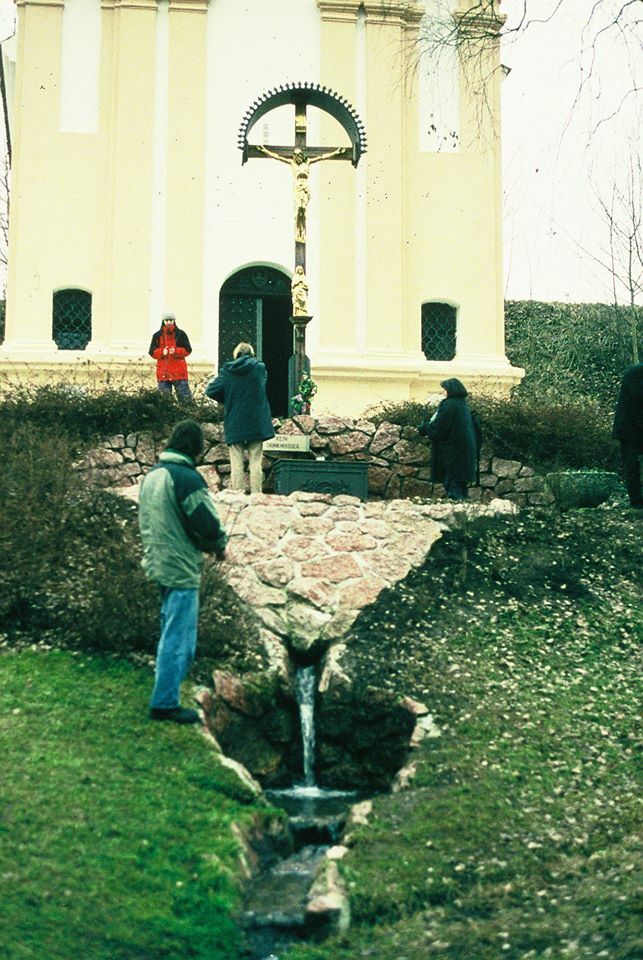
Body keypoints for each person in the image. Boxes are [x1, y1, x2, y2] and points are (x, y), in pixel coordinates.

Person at [138, 419, 228, 724]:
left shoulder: (153, 474)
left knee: (169, 631)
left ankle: (165, 692)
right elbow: (205, 520)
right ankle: (164, 704)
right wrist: (219, 545)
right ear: (196, 447)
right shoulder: (186, 478)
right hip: (179, 568)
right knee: (180, 640)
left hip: (157, 562)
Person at [205, 342, 275, 494]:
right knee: (255, 461)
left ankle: (237, 495)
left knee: (236, 462)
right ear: (251, 353)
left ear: (236, 354)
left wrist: (227, 398)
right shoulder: (259, 368)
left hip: (235, 421)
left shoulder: (228, 370)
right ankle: (257, 495)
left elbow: (210, 390)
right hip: (256, 421)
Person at [419, 378, 481, 501]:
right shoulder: (463, 405)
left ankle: (455, 509)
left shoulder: (449, 404)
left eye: (445, 390)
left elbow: (440, 426)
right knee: (460, 483)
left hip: (452, 451)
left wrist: (424, 429)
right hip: (464, 449)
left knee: (452, 482)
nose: (443, 393)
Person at [612, 362, 643, 508]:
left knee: (632, 466)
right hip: (630, 429)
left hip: (634, 427)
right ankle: (636, 502)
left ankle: (637, 501)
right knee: (631, 465)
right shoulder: (635, 374)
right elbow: (638, 401)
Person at [148, 312, 193, 398]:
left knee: (185, 400)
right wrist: (162, 352)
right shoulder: (157, 335)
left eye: (171, 320)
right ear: (163, 321)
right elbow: (152, 352)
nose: (169, 322)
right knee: (164, 401)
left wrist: (176, 351)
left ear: (174, 321)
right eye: (167, 320)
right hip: (164, 373)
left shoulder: (181, 334)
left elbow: (188, 350)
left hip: (179, 372)